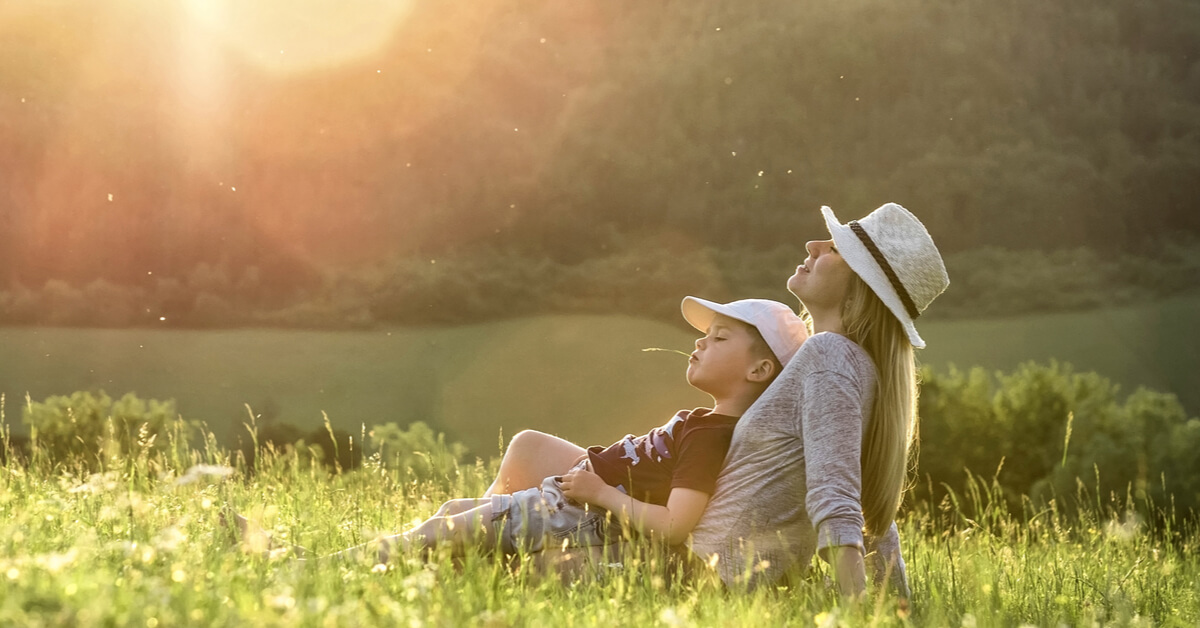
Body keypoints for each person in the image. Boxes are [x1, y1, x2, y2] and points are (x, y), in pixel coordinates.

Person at [228, 297, 808, 562]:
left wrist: (601, 493)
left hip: (574, 512)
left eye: (720, 338)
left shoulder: (711, 437)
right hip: (564, 500)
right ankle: (358, 565)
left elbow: (678, 527)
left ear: (760, 370)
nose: (701, 341)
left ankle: (304, 564)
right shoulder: (702, 422)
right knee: (455, 513)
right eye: (705, 334)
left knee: (439, 530)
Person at [687, 203, 949, 599]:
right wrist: (898, 608)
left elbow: (838, 498)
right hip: (715, 575)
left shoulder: (830, 358)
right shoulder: (848, 367)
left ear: (863, 285)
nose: (813, 244)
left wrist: (860, 613)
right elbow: (868, 511)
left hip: (698, 576)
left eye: (836, 249)